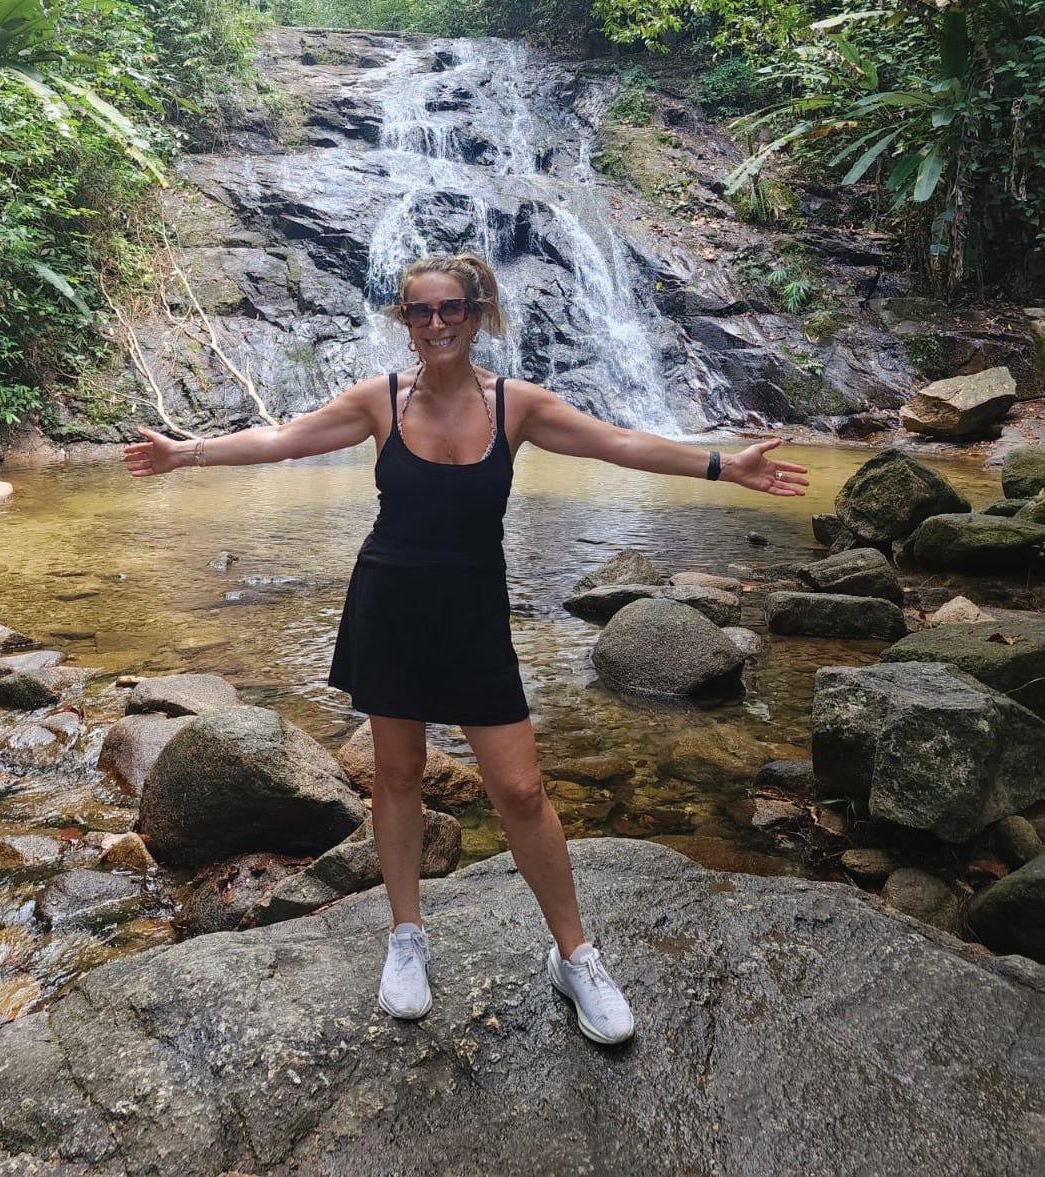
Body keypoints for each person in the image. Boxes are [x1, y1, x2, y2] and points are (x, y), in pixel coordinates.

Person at [122, 252, 808, 1046]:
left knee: (519, 788)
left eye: (452, 308)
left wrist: (724, 465)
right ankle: (406, 934)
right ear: (405, 322)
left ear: (477, 316)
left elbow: (618, 443)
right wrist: (184, 452)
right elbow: (283, 440)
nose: (437, 323)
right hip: (390, 603)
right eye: (421, 311)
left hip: (474, 611)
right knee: (398, 775)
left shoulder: (517, 405)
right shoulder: (379, 401)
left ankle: (575, 954)